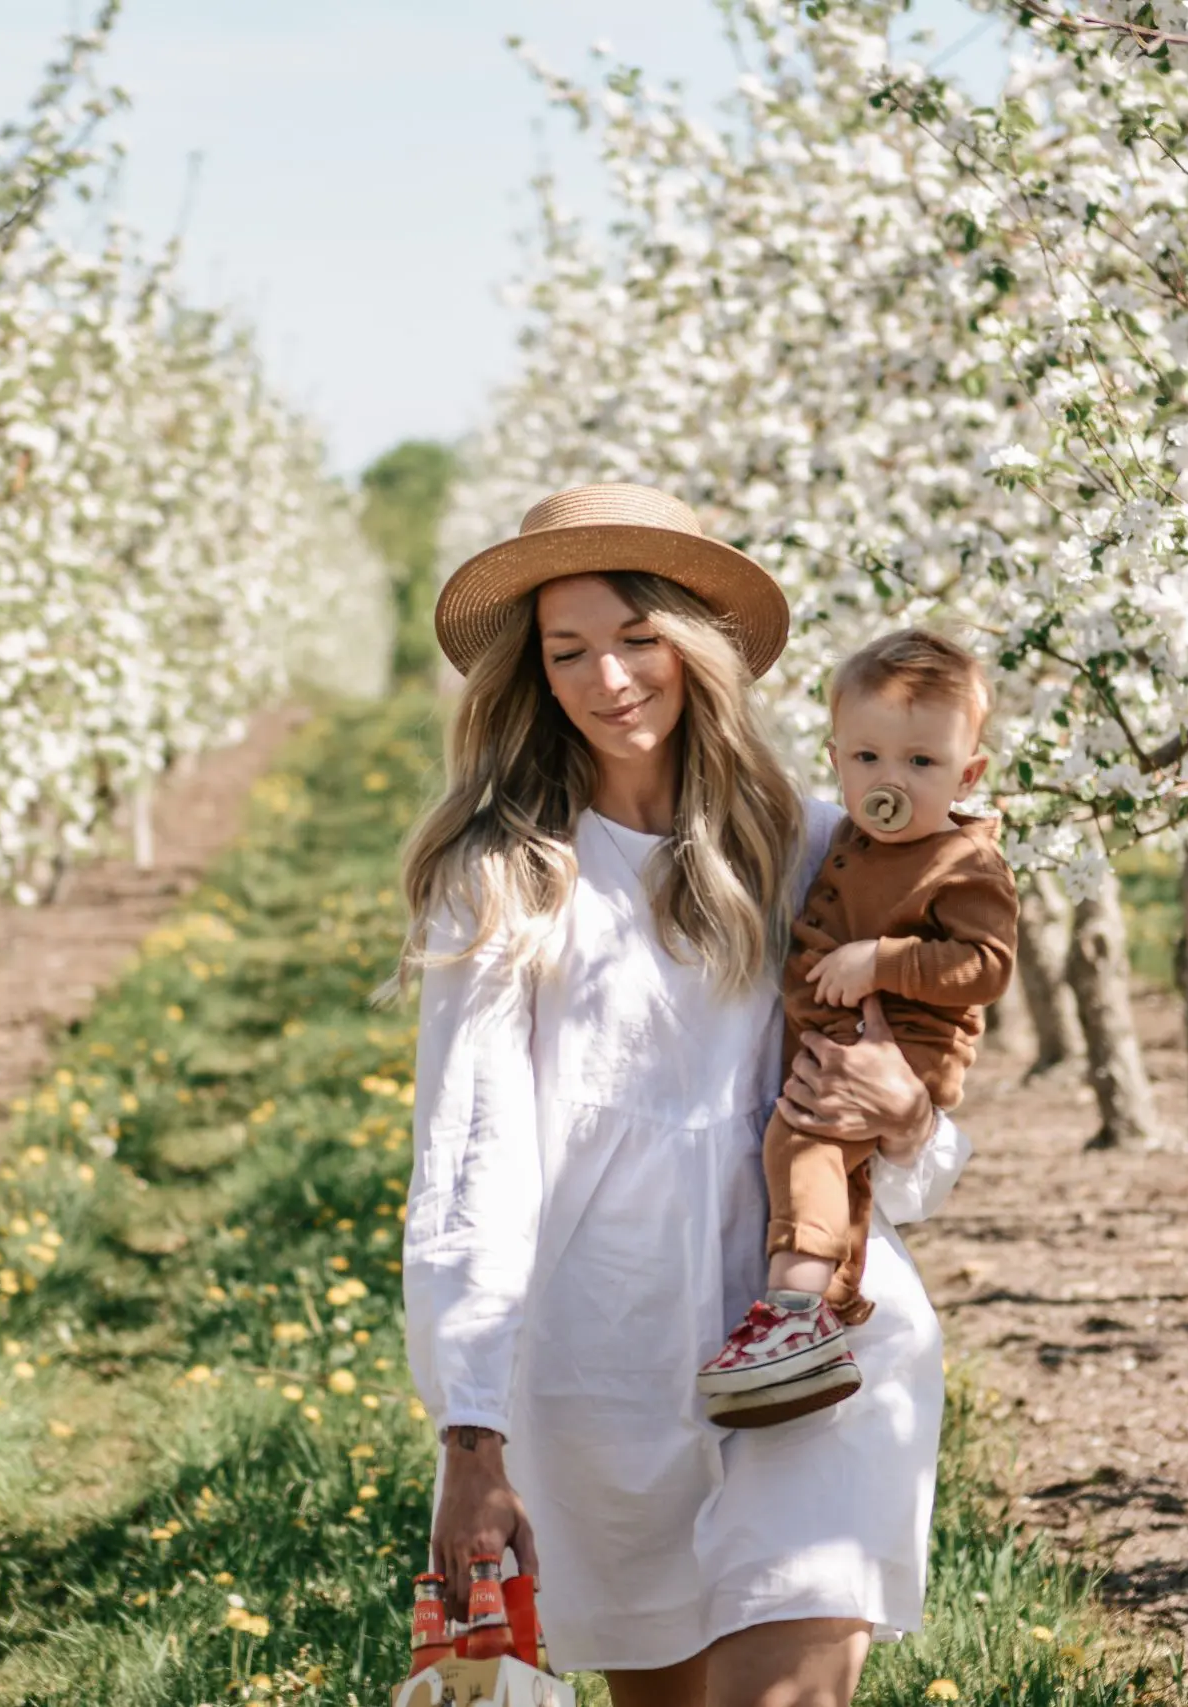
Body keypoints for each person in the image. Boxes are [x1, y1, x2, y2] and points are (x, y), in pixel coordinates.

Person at [400, 483, 973, 1707]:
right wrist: (471, 1431)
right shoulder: (508, 879)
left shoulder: (819, 848)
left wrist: (909, 1114)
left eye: (637, 638)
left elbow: (907, 1101)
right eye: (569, 653)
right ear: (534, 676)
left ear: (696, 645)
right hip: (602, 1361)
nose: (608, 678)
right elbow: (472, 1159)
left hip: (809, 1345)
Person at [697, 630, 1016, 1428]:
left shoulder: (961, 861)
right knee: (831, 1162)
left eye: (921, 763)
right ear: (836, 760)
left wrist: (882, 961)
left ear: (966, 774)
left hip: (900, 1042)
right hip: (845, 1037)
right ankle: (828, 1307)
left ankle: (795, 1311)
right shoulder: (849, 834)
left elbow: (986, 966)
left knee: (803, 1141)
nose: (890, 781)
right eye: (869, 758)